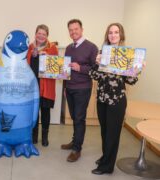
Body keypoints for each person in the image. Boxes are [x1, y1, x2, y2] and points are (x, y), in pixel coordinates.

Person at [90, 23, 140, 175]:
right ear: (107, 35)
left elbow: (131, 81)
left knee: (113, 134)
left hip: (117, 101)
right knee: (105, 132)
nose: (113, 35)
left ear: (121, 35)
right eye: (110, 32)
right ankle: (106, 157)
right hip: (102, 99)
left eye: (116, 32)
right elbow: (94, 75)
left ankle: (107, 166)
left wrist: (135, 71)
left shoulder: (127, 55)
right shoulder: (102, 53)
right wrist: (97, 63)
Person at [61, 19, 98, 162]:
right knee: (74, 117)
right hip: (70, 88)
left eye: (76, 29)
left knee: (79, 118)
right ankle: (74, 141)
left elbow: (96, 69)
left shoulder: (91, 47)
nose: (73, 32)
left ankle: (77, 149)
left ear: (81, 29)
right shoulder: (69, 47)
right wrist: (65, 87)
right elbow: (65, 69)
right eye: (70, 30)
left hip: (83, 88)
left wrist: (80, 68)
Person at [27, 24, 59, 147]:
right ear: (35, 34)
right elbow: (26, 63)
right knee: (34, 112)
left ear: (47, 36)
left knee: (45, 112)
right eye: (39, 33)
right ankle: (34, 136)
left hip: (46, 86)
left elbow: (57, 67)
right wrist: (33, 54)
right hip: (33, 86)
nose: (41, 36)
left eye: (43, 34)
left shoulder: (52, 48)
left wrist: (48, 58)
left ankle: (45, 137)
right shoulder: (30, 47)